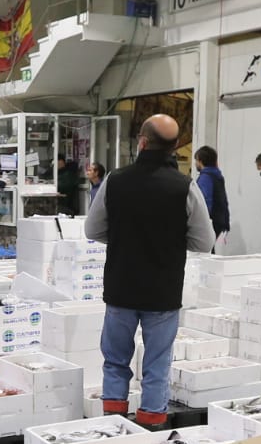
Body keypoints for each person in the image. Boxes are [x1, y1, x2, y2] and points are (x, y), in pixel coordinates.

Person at [85, 115, 214, 428]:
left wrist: (121, 237)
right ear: (174, 149)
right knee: (157, 364)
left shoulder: (115, 181)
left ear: (141, 142)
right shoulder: (185, 186)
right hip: (163, 291)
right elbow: (204, 242)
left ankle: (113, 426)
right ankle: (151, 427)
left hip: (121, 287)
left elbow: (92, 229)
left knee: (115, 361)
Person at [193, 146, 231, 251]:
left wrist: (198, 225)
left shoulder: (205, 178)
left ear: (200, 160)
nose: (195, 163)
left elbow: (204, 203)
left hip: (210, 224)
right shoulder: (217, 176)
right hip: (220, 222)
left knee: (204, 256)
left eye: (196, 160)